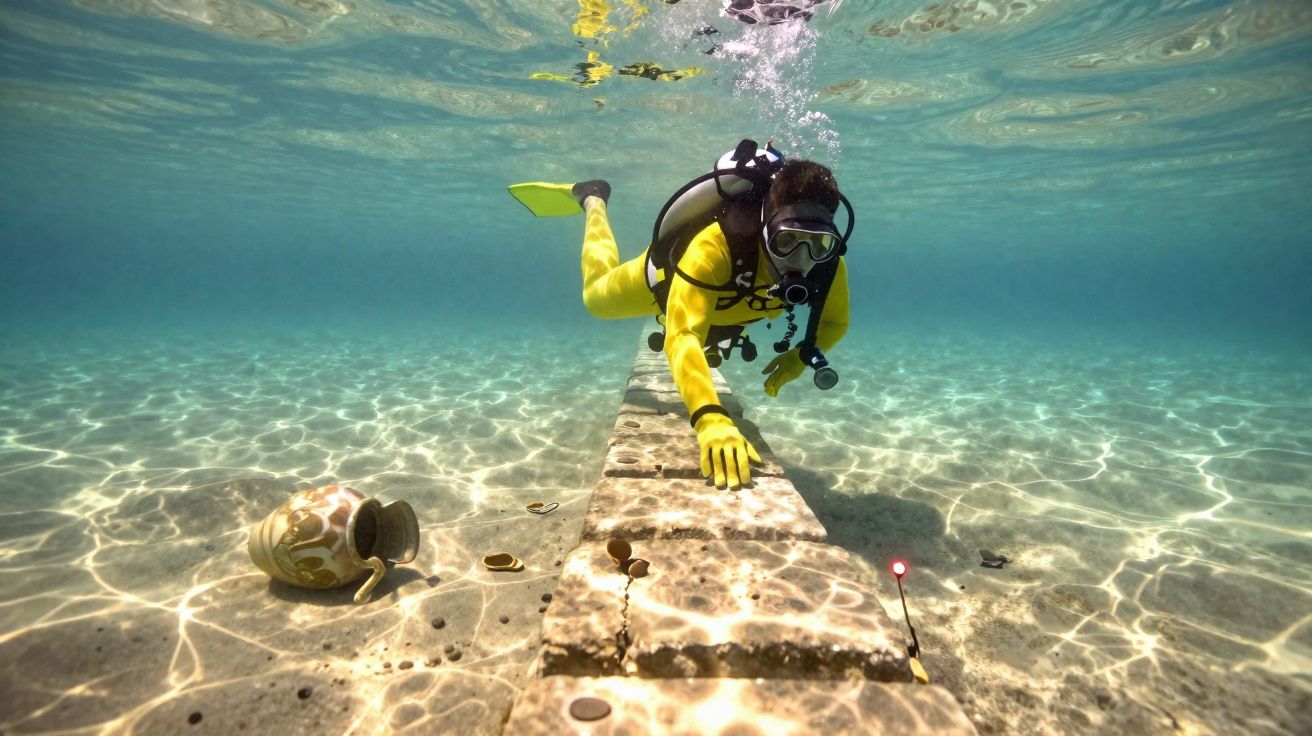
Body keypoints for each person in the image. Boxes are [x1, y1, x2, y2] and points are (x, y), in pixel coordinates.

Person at [564, 143, 851, 490]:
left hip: (727, 308)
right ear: (765, 229)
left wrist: (801, 357)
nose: (801, 260)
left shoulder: (827, 266)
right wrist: (710, 419)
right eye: (786, 240)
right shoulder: (715, 247)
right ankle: (593, 199)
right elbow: (683, 335)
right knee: (595, 298)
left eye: (818, 244)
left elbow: (834, 321)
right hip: (663, 285)